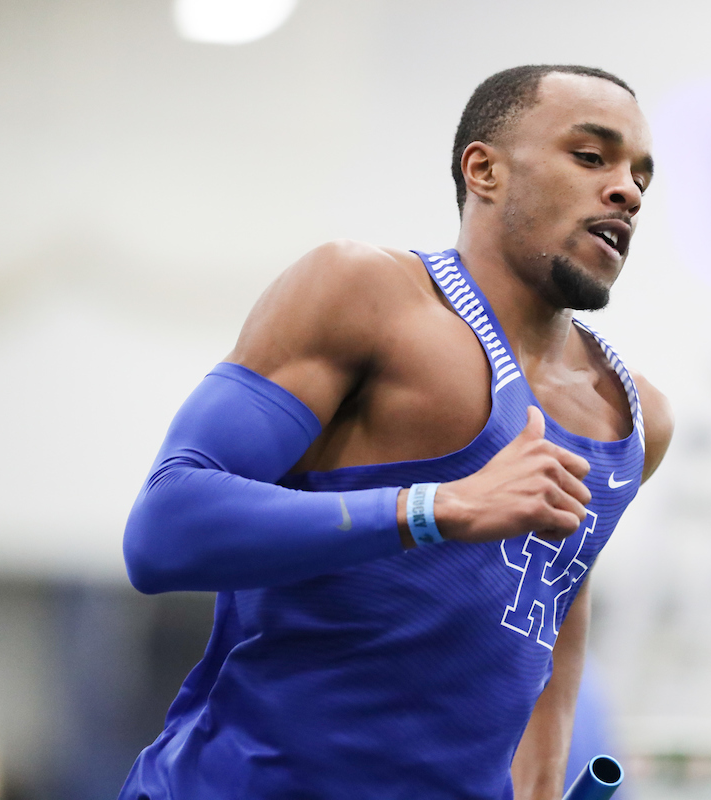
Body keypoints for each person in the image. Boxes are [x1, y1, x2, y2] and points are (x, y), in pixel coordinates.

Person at [117, 64, 673, 800]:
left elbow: (550, 610)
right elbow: (162, 531)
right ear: (485, 170)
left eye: (641, 175)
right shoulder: (364, 293)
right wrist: (436, 508)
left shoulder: (635, 418)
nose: (627, 190)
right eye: (591, 155)